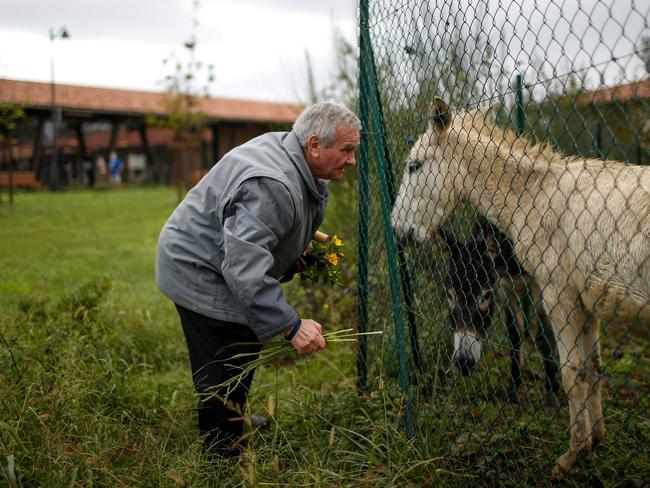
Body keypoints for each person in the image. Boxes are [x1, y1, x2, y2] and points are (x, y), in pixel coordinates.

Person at [155, 101, 361, 457]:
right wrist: (292, 325)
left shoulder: (294, 156)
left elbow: (259, 230)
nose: (352, 160)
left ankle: (233, 422)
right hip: (197, 266)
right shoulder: (273, 184)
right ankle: (222, 453)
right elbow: (244, 269)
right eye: (346, 150)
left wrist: (293, 247)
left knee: (243, 343)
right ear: (314, 145)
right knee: (226, 356)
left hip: (218, 258)